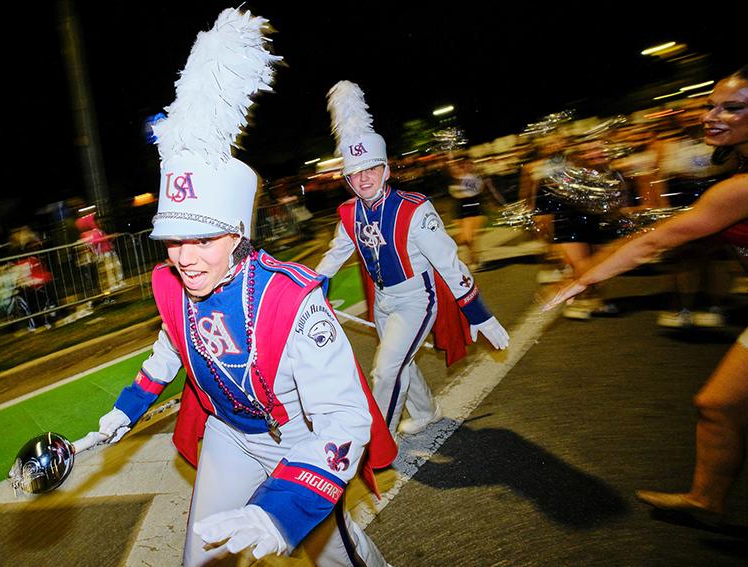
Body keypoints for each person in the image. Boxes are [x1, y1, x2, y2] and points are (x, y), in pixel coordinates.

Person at [90, 10, 396, 566]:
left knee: (336, 557)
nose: (183, 258)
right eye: (172, 241)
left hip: (298, 440)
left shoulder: (290, 298)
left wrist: (277, 512)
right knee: (198, 559)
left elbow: (345, 418)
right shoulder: (176, 285)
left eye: (201, 240)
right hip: (230, 436)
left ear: (236, 234)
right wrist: (126, 408)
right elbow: (171, 346)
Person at [544, 66, 748, 520]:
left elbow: (659, 240)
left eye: (732, 108)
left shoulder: (739, 188)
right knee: (716, 405)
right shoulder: (736, 169)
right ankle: (705, 499)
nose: (713, 115)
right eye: (712, 104)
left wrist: (581, 279)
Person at [316, 81, 510, 438]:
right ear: (348, 180)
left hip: (416, 299)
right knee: (398, 360)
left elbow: (449, 263)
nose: (364, 178)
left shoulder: (415, 209)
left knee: (385, 370)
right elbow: (335, 255)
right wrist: (311, 285)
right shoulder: (348, 213)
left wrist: (479, 312)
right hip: (383, 299)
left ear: (386, 170)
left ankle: (379, 442)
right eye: (356, 173)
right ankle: (426, 411)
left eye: (371, 169)